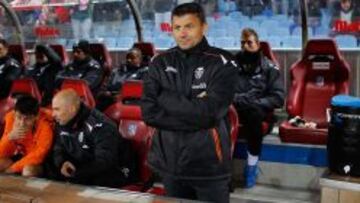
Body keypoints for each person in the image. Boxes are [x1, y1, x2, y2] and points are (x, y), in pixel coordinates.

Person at [141, 3, 237, 203]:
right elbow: (149, 113)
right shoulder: (160, 62)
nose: (182, 33)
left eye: (189, 26)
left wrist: (165, 97)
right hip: (171, 165)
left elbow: (210, 114)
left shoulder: (222, 62)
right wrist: (195, 114)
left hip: (209, 167)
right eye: (177, 27)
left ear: (204, 27)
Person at [49, 89, 136, 187]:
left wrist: (77, 175)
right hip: (85, 169)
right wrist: (62, 162)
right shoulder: (62, 122)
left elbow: (104, 162)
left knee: (99, 180)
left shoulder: (101, 125)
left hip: (116, 169)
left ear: (72, 109)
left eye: (57, 109)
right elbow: (58, 148)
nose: (53, 114)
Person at [233, 28, 284, 188]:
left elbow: (278, 98)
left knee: (253, 113)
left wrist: (256, 103)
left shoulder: (269, 68)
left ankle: (251, 166)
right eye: (242, 43)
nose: (245, 46)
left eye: (249, 42)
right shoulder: (232, 66)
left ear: (258, 44)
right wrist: (238, 100)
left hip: (257, 111)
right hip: (236, 107)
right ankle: (220, 167)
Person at [0, 95, 54, 177]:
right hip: (21, 156)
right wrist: (9, 138)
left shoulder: (45, 128)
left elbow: (38, 156)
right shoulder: (11, 118)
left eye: (27, 119)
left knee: (28, 171)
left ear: (36, 117)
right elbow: (2, 153)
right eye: (19, 117)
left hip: (40, 162)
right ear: (14, 113)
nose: (22, 123)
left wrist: (13, 169)